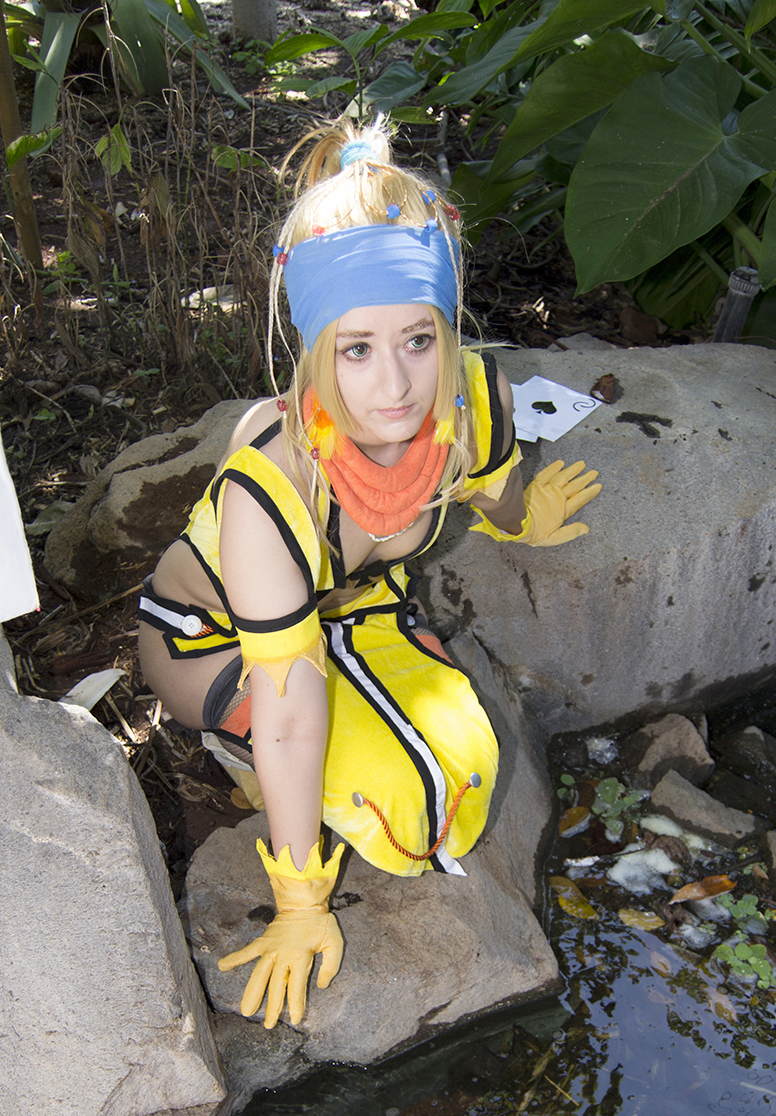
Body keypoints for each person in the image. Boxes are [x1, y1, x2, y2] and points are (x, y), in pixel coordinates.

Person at [138, 116, 600, 1032]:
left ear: (446, 328)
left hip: (349, 611)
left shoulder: (472, 396)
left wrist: (524, 518)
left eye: (418, 340)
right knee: (397, 806)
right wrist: (300, 895)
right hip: (218, 644)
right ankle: (233, 751)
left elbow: (490, 484)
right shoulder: (272, 487)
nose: (396, 385)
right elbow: (290, 705)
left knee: (455, 785)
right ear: (315, 348)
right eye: (356, 349)